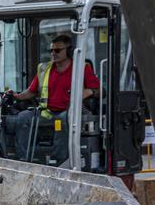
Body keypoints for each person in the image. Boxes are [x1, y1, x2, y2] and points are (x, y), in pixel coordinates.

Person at [7, 33, 99, 165]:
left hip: (70, 113)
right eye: (51, 50)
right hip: (47, 112)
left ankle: (59, 161)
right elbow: (31, 91)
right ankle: (22, 159)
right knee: (23, 117)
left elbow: (101, 91)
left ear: (68, 51)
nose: (53, 53)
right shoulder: (44, 69)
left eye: (57, 50)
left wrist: (89, 91)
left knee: (61, 121)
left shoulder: (82, 68)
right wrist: (17, 95)